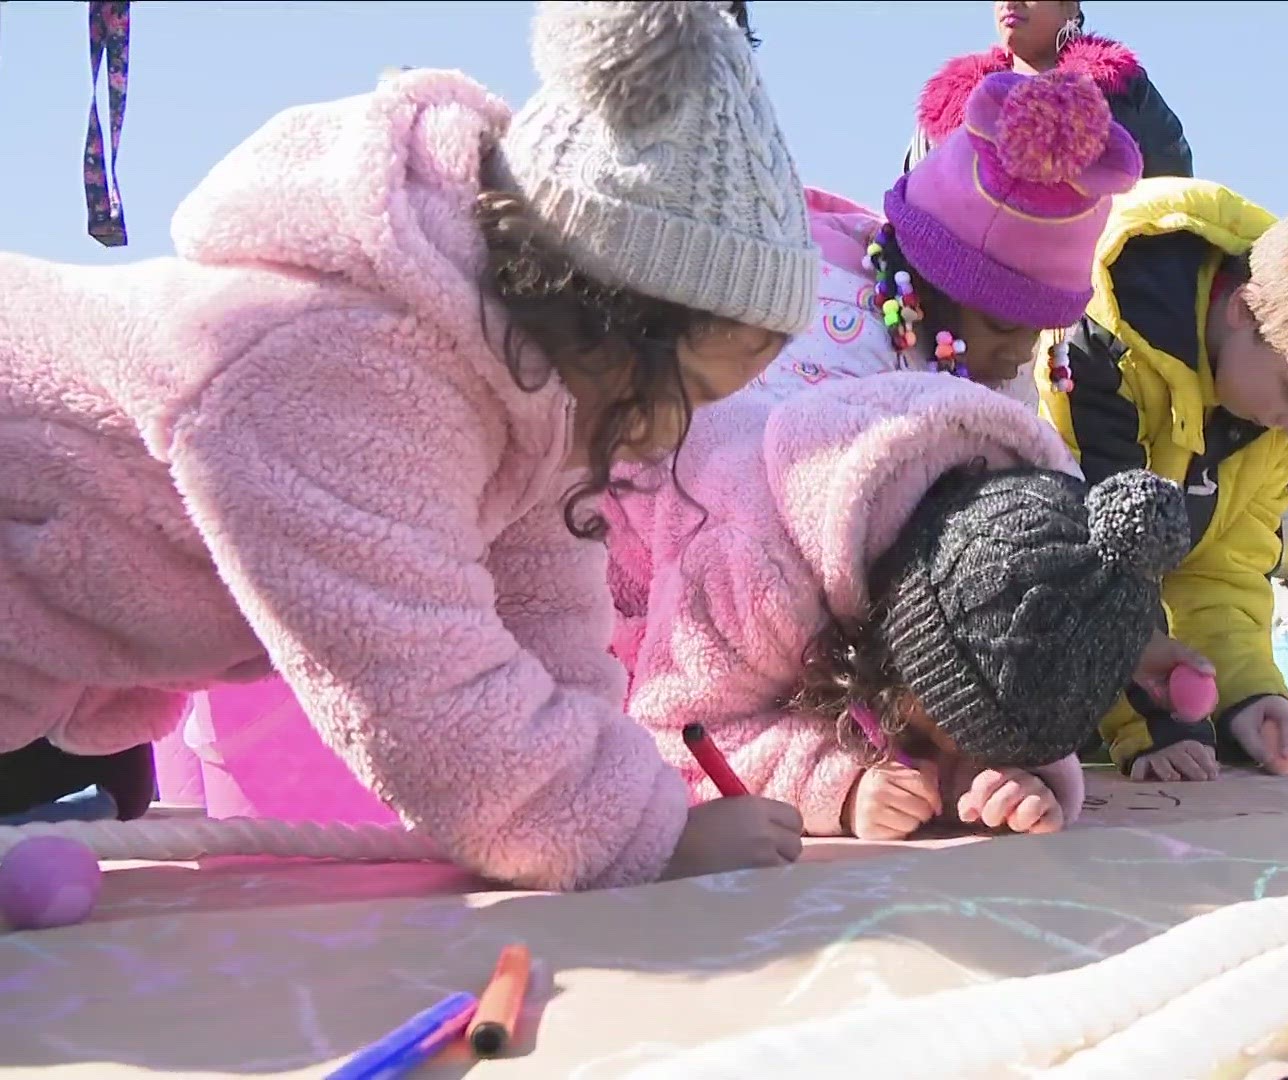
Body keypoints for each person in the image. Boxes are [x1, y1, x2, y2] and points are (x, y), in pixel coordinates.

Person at [0, 1, 819, 891]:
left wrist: (621, 804)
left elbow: (544, 617)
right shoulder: (340, 365)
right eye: (685, 394)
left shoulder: (529, 388)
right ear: (612, 316)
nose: (673, 435)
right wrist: (642, 838)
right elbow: (423, 689)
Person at [604, 374, 1189, 840]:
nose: (964, 753)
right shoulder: (752, 564)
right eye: (959, 737)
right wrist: (841, 784)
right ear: (898, 655)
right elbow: (673, 734)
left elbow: (1013, 677)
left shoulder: (1030, 540)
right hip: (596, 559)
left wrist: (1012, 783)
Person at [1036, 185, 1288, 783]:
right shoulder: (1099, 351)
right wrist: (1154, 724)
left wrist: (1246, 696)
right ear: (1243, 310)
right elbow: (1090, 557)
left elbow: (1221, 568)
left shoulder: (1280, 400)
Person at [750, 68, 1141, 401]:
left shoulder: (975, 357)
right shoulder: (836, 341)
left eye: (1037, 330)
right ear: (930, 277)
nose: (1022, 352)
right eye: (1002, 324)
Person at [905, 1, 1190, 180]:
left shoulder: (1118, 91)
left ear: (1070, 7)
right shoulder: (949, 106)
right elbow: (912, 209)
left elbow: (1169, 196)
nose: (1010, 3)